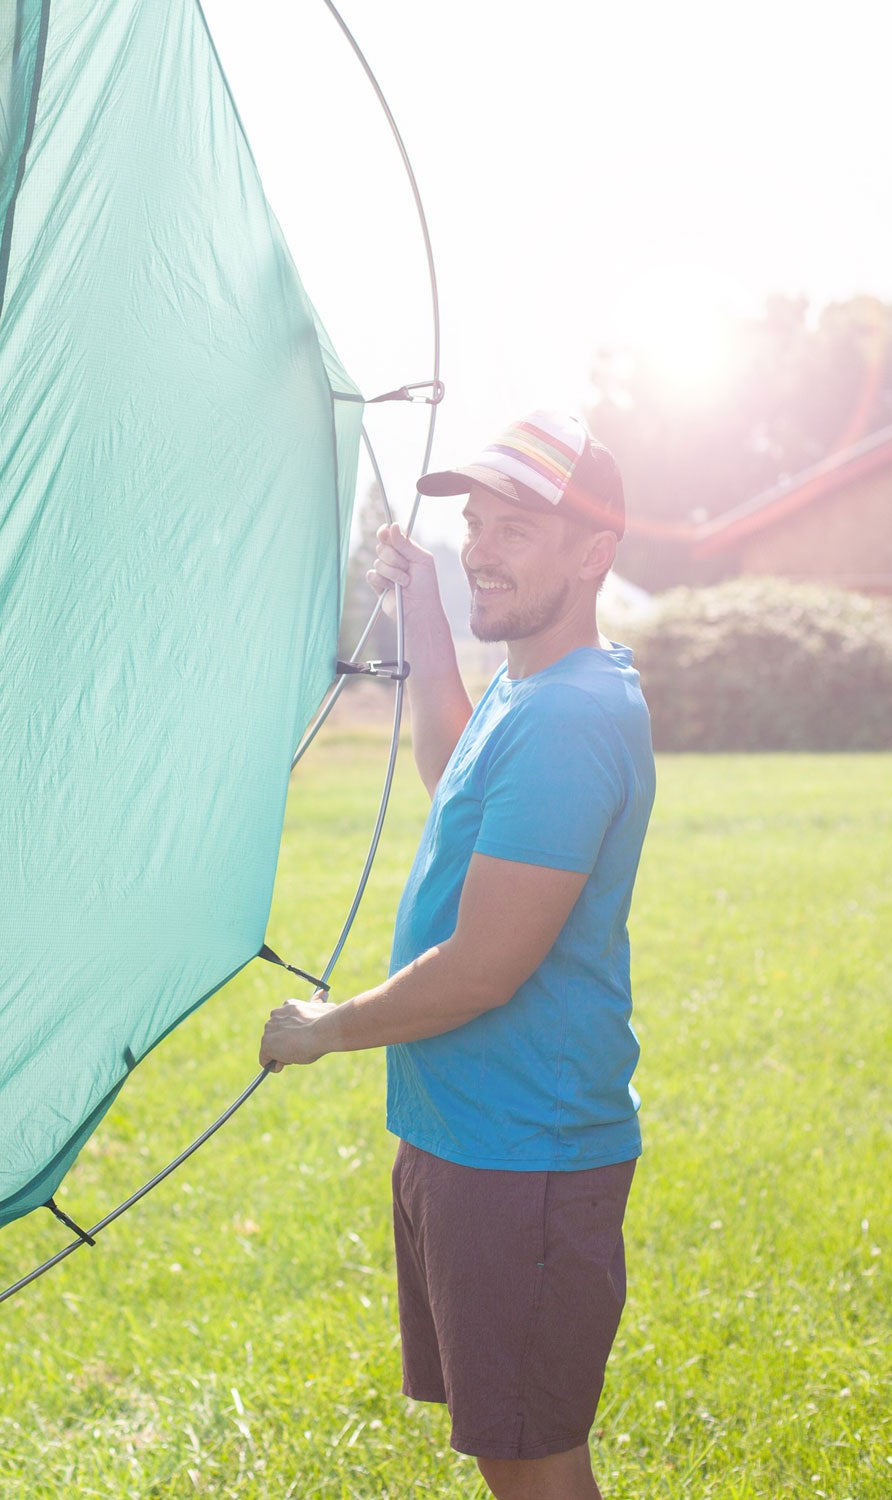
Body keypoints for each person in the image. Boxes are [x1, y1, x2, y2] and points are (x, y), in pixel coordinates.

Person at [258, 410, 656, 1500]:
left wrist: (324, 1030)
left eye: (515, 526)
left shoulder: (571, 716)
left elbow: (484, 969)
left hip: (520, 1154)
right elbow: (454, 765)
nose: (481, 544)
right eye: (475, 521)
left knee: (532, 1460)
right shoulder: (531, 697)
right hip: (471, 1137)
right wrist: (425, 613)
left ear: (593, 550)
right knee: (507, 1448)